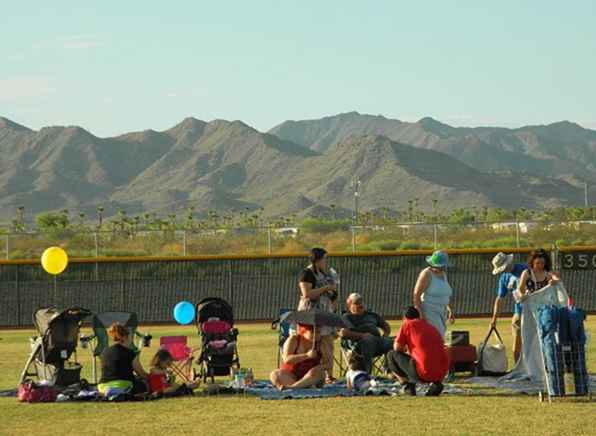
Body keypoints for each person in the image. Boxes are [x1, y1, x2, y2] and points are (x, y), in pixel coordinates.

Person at [386, 306, 449, 396]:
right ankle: (436, 384)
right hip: (441, 372)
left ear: (405, 318)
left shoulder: (407, 324)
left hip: (423, 371)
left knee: (391, 355)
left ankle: (407, 386)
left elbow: (396, 348)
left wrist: (406, 349)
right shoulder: (430, 326)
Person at [298, 247, 338, 382]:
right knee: (311, 343)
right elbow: (307, 294)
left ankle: (329, 376)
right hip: (310, 314)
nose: (326, 262)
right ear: (317, 260)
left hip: (325, 313)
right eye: (324, 259)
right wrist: (326, 288)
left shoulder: (325, 274)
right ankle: (305, 374)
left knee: (328, 344)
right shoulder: (307, 273)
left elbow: (333, 295)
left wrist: (332, 293)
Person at [339, 293, 393, 374]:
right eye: (356, 303)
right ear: (349, 305)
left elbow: (386, 326)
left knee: (394, 342)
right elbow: (343, 333)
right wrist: (362, 335)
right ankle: (367, 373)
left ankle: (389, 370)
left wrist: (385, 334)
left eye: (361, 302)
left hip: (377, 341)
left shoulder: (372, 315)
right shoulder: (347, 317)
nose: (360, 304)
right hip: (359, 345)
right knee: (367, 341)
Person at [489, 252, 527, 363]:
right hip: (519, 312)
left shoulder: (525, 269)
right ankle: (517, 367)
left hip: (534, 310)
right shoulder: (504, 278)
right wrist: (494, 319)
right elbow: (499, 299)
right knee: (517, 340)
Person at [98, 322, 149, 396]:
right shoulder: (130, 353)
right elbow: (142, 374)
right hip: (123, 385)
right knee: (144, 384)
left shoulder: (104, 352)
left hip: (102, 387)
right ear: (125, 337)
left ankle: (111, 391)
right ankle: (117, 391)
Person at [270, 323, 325, 390]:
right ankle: (303, 386)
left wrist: (320, 367)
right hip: (292, 375)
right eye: (313, 332)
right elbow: (286, 360)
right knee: (275, 374)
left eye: (319, 332)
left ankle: (294, 387)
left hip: (311, 376)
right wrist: (306, 355)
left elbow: (327, 364)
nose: (316, 335)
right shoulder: (293, 340)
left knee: (319, 371)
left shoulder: (321, 343)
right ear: (303, 331)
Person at [413, 250, 454, 338]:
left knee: (441, 337)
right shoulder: (426, 274)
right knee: (437, 337)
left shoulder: (444, 274)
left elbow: (445, 294)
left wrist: (449, 309)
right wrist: (421, 314)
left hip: (442, 312)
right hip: (429, 311)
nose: (443, 267)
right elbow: (416, 295)